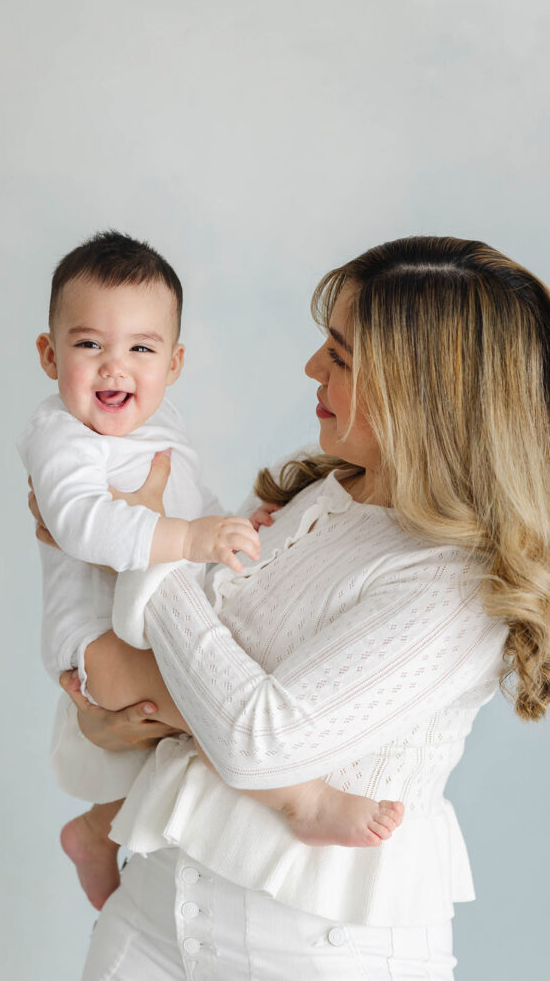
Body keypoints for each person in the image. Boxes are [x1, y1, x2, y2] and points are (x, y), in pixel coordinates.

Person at [36, 234, 549, 980]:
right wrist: (114, 716)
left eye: (339, 357)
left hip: (317, 954)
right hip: (150, 918)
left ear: (422, 393)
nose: (312, 367)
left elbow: (256, 741)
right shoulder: (316, 497)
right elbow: (182, 668)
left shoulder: (454, 581)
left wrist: (152, 549)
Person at [19, 230, 404, 910]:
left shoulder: (158, 424)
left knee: (182, 724)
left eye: (141, 348)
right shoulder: (63, 437)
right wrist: (189, 537)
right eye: (88, 346)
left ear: (174, 363)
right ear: (50, 356)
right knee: (195, 710)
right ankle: (302, 800)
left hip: (146, 618)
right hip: (93, 636)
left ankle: (95, 834)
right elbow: (80, 523)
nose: (115, 368)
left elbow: (185, 502)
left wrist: (230, 522)